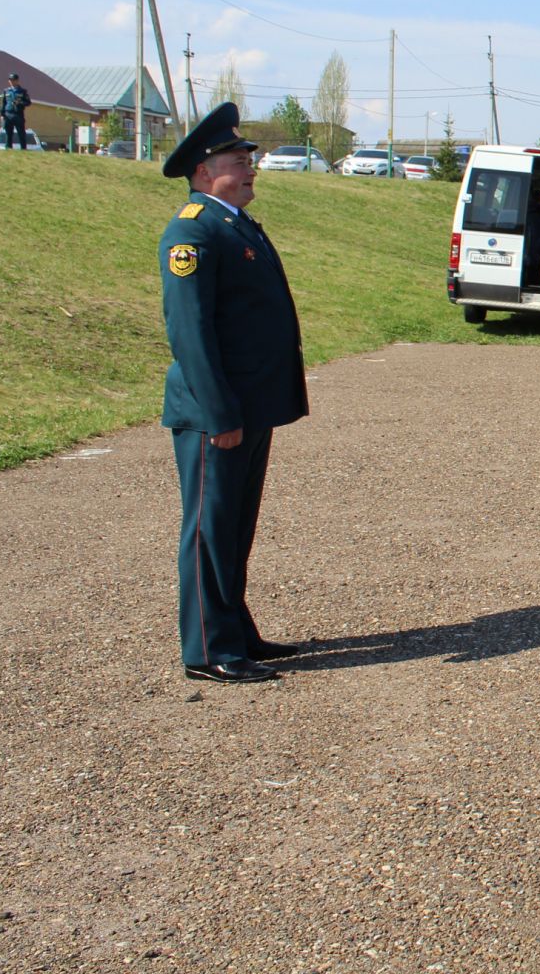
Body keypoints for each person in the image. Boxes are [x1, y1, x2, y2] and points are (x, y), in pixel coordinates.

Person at [158, 103, 308, 684]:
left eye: (250, 159)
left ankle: (236, 631)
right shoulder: (192, 231)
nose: (250, 168)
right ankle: (208, 649)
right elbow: (190, 333)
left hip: (248, 405)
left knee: (235, 525)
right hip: (215, 410)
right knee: (208, 528)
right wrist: (219, 410)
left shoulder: (234, 224)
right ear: (202, 169)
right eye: (236, 159)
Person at [0, 72, 30, 149]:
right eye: (10, 80)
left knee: (21, 133)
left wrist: (20, 102)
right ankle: (8, 148)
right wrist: (2, 114)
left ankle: (23, 148)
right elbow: (3, 103)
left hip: (18, 114)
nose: (12, 82)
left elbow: (28, 102)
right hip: (8, 114)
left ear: (17, 81)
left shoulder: (22, 91)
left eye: (13, 80)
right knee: (8, 133)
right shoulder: (6, 91)